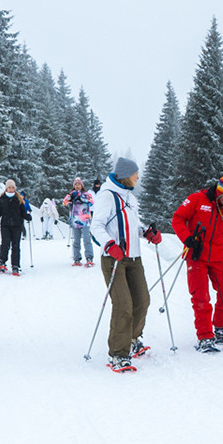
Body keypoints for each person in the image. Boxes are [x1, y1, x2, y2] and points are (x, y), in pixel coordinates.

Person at [90, 157, 162, 372]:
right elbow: (96, 227)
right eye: (135, 174)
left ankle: (132, 339)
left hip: (134, 258)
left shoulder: (129, 197)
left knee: (142, 300)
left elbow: (132, 225)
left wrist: (146, 233)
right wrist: (110, 244)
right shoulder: (106, 196)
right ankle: (118, 354)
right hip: (114, 259)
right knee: (123, 305)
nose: (138, 177)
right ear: (125, 175)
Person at [171, 175, 223, 353]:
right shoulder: (196, 199)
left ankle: (220, 328)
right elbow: (178, 219)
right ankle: (205, 337)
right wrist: (187, 239)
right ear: (220, 192)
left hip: (219, 259)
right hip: (196, 257)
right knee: (201, 297)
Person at [0, 179, 31, 275]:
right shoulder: (2, 199)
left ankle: (15, 265)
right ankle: (2, 262)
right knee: (5, 244)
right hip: (5, 225)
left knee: (16, 245)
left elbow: (22, 212)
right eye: (9, 187)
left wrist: (27, 217)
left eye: (13, 188)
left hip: (17, 225)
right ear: (6, 188)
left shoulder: (19, 199)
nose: (11, 189)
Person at [63, 177, 95, 267]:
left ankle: (89, 257)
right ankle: (76, 258)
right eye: (76, 184)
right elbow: (64, 202)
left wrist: (82, 198)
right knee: (76, 240)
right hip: (75, 221)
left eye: (79, 184)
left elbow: (91, 202)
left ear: (82, 185)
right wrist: (70, 198)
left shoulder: (86, 194)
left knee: (86, 239)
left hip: (85, 220)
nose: (77, 186)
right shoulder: (71, 194)